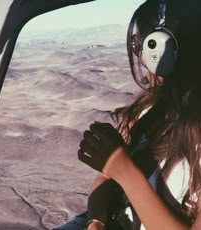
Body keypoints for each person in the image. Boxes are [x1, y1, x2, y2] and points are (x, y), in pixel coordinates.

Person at [78, 0, 201, 229]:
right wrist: (96, 221)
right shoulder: (146, 111)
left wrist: (125, 172)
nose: (141, 56)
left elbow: (118, 170)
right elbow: (106, 176)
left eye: (142, 45)